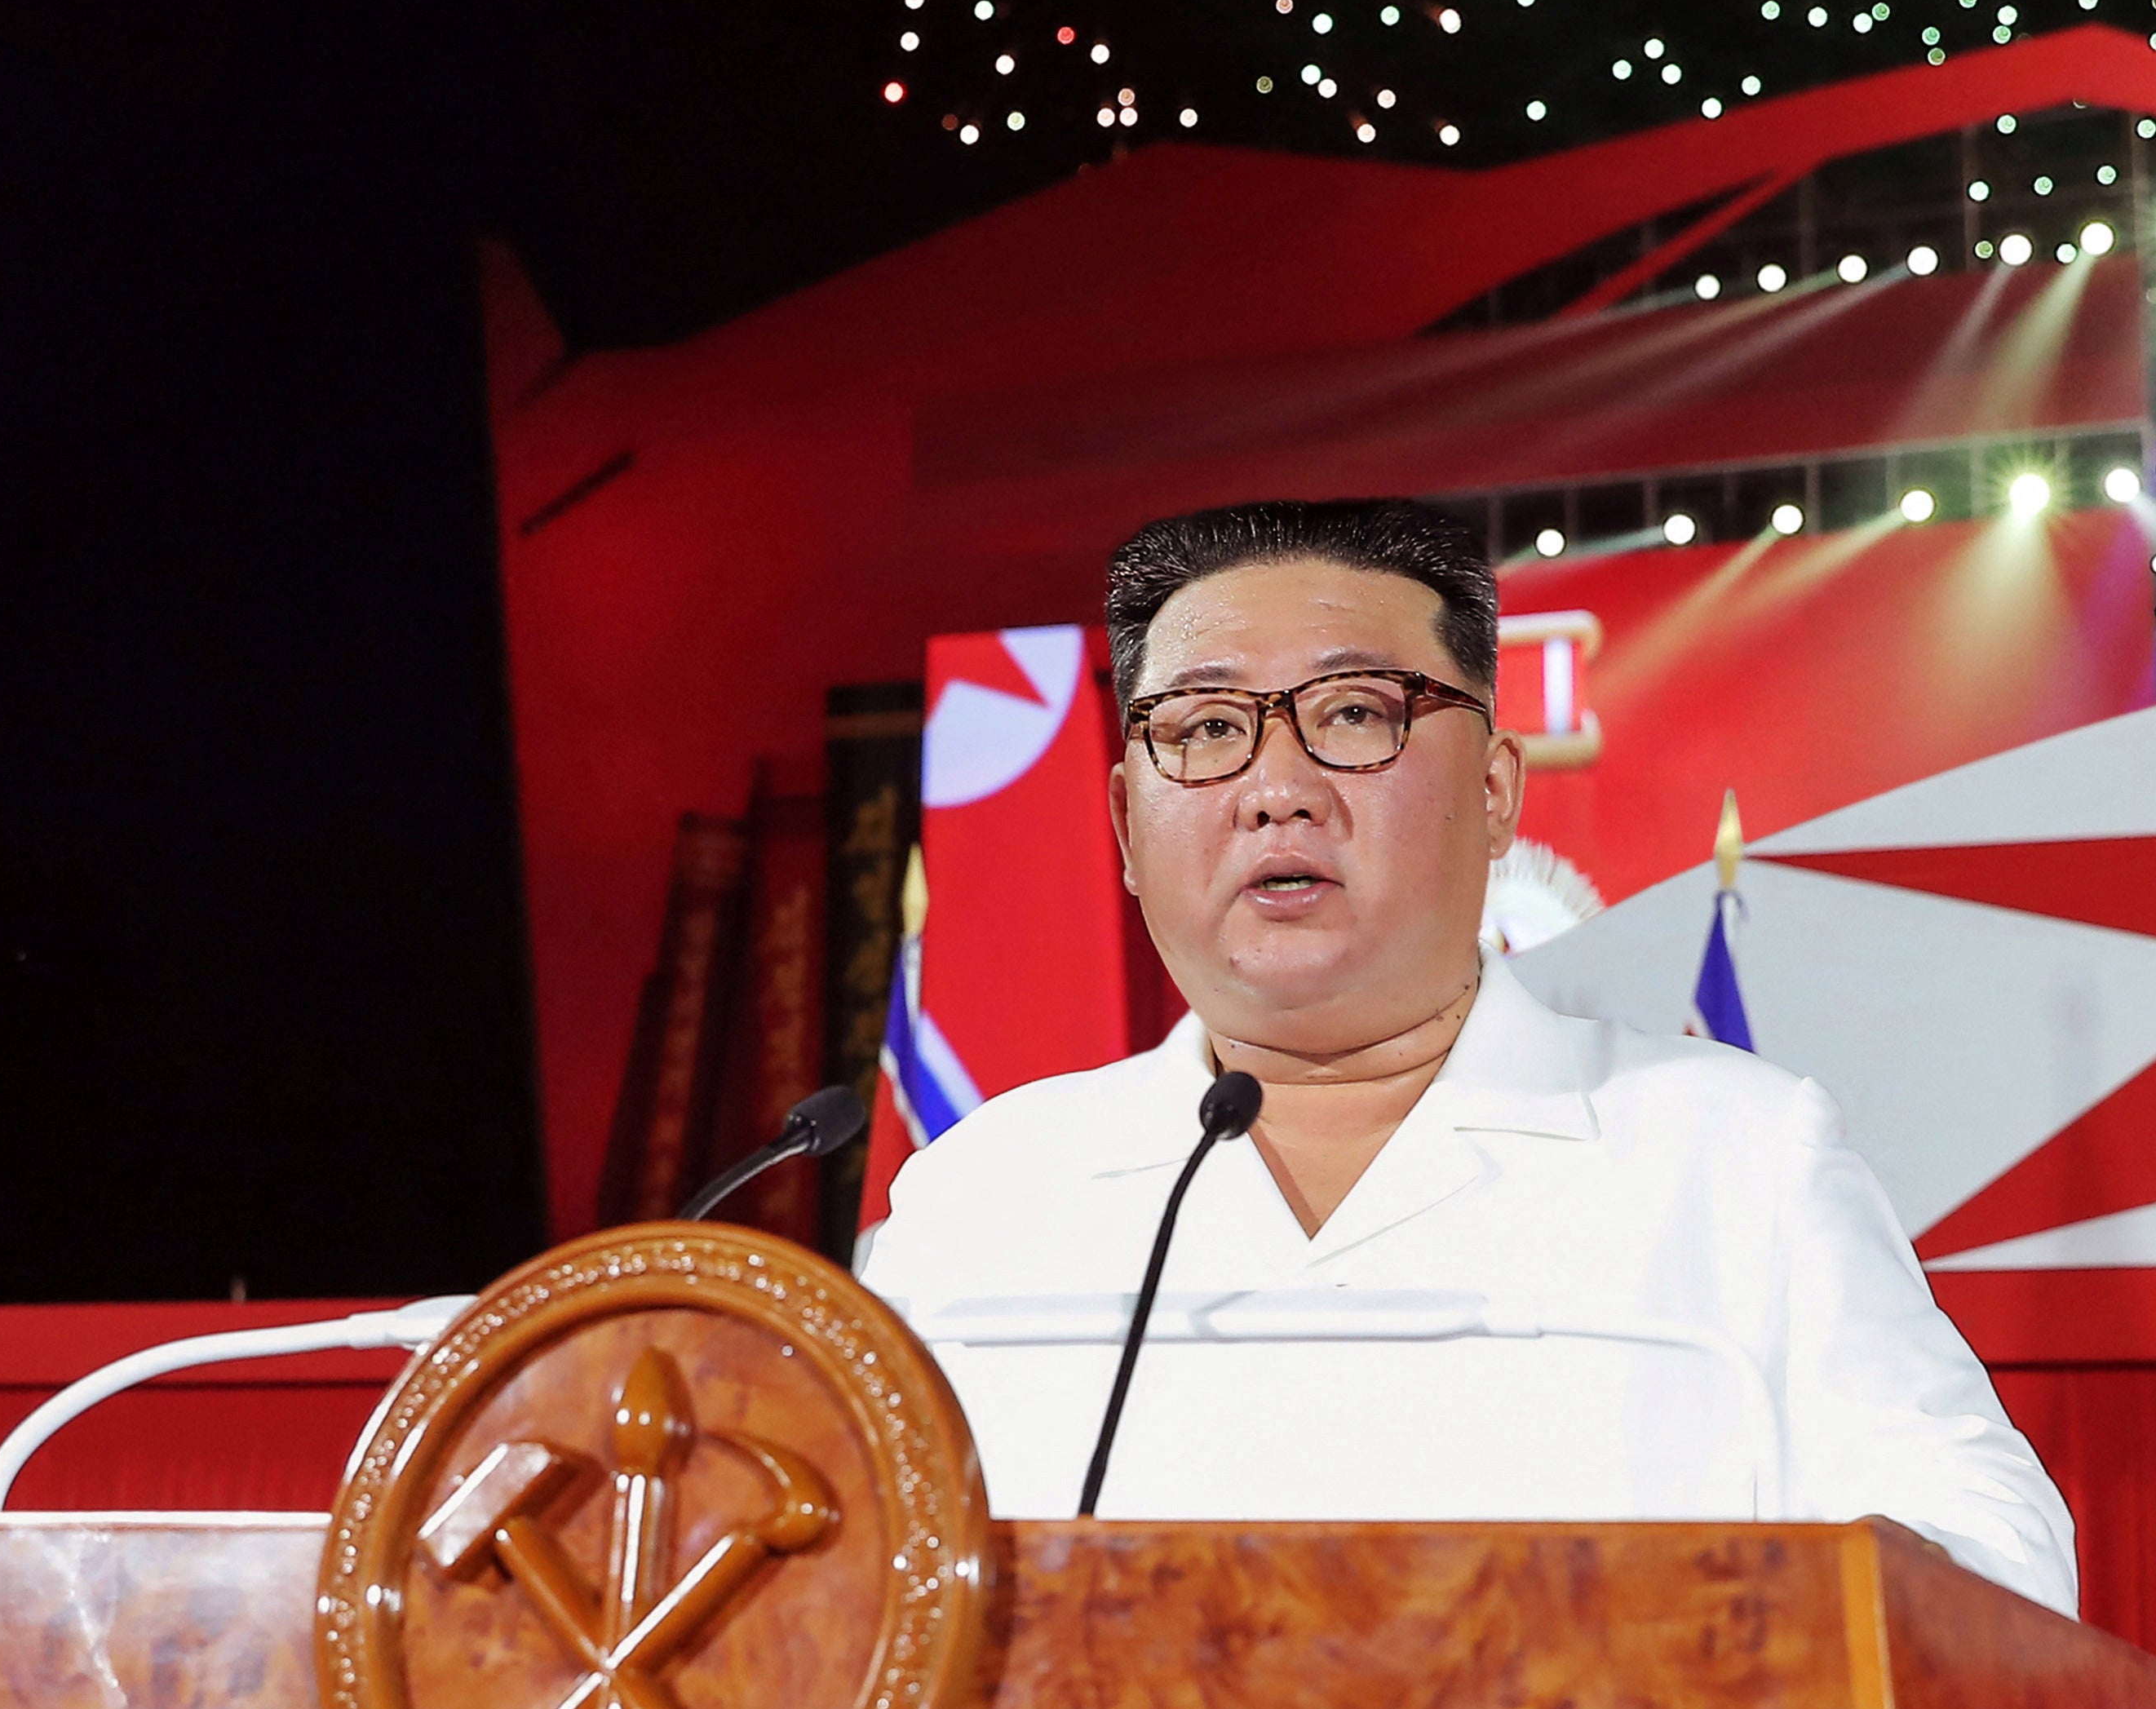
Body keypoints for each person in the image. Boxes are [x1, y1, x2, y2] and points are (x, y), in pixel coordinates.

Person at [859, 498, 2079, 1613]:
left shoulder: (1735, 1155)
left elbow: (1994, 1560)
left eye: (1353, 716)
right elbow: (842, 1604)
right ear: (1128, 819)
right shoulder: (980, 1194)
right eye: (1208, 728)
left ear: (1497, 792)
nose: (1276, 790)